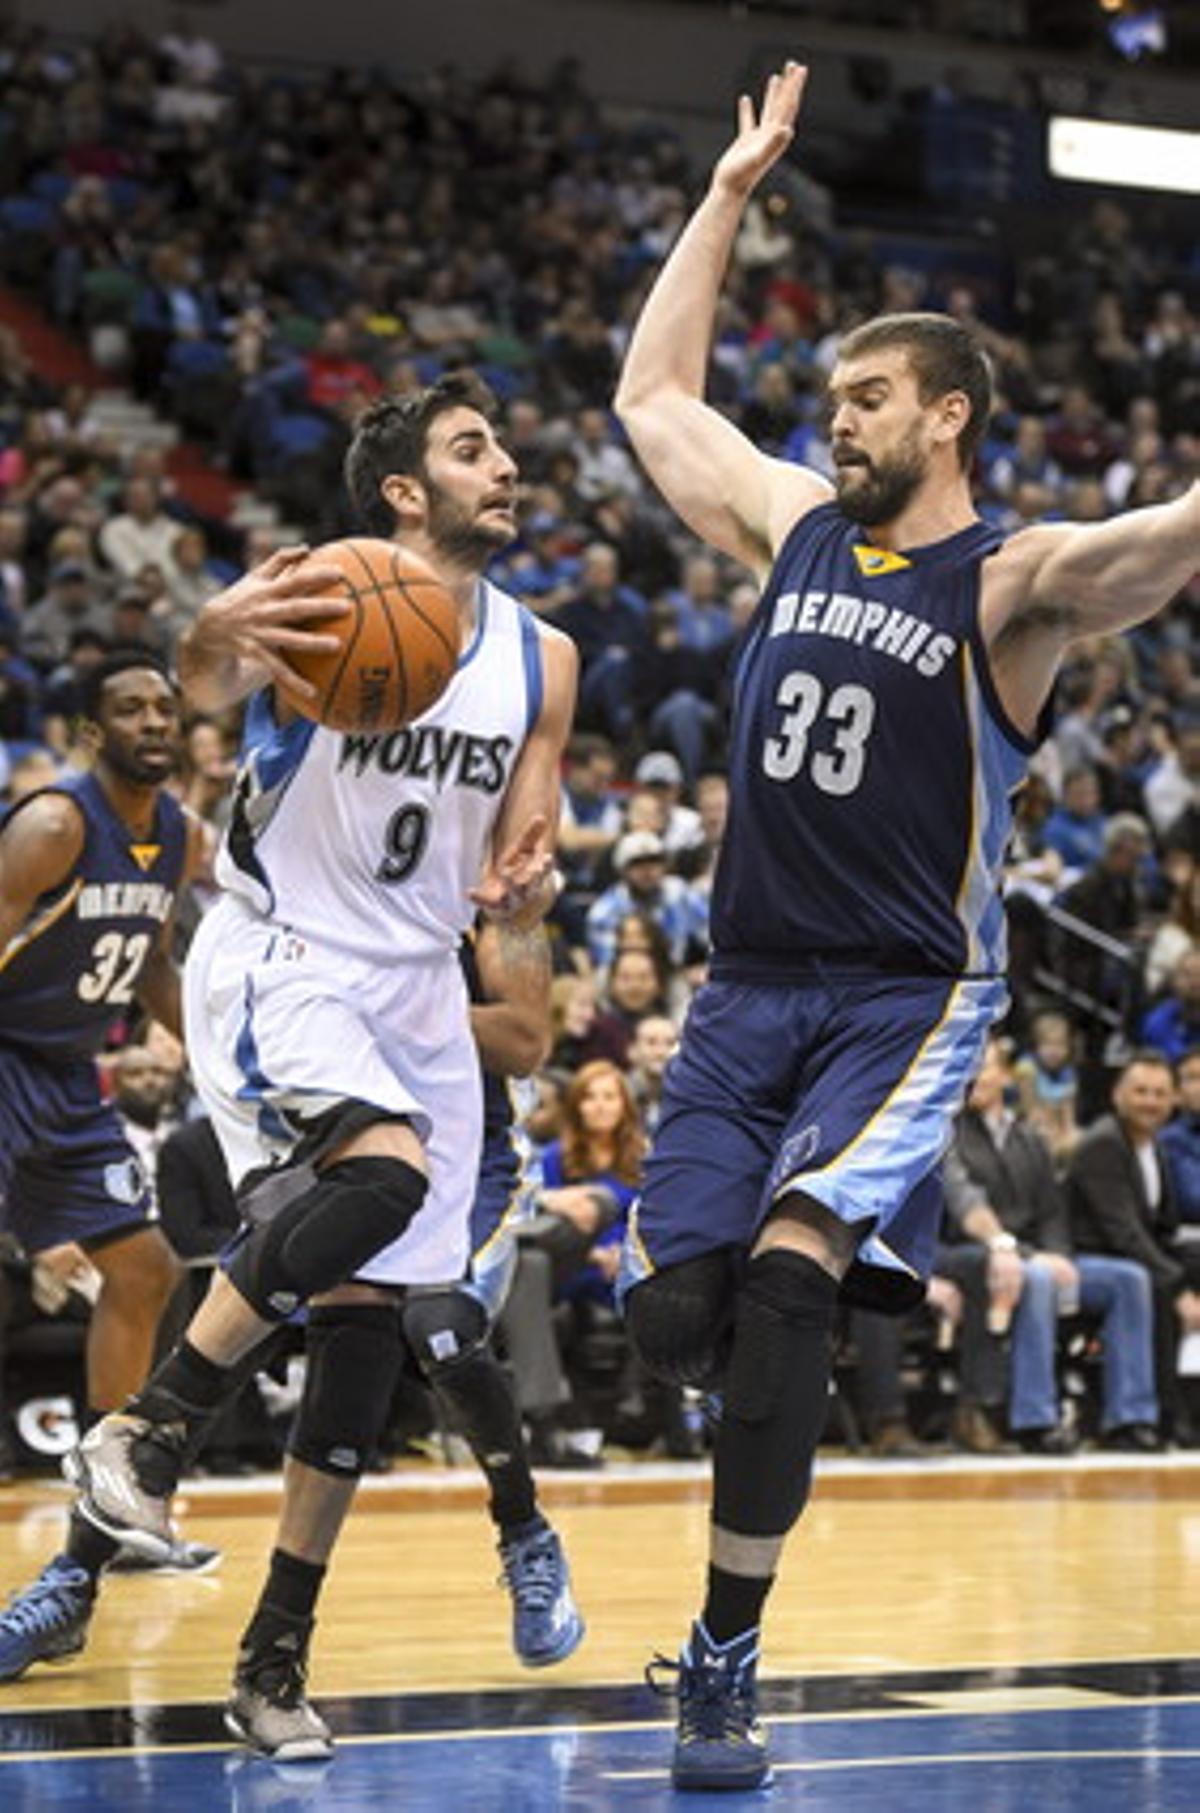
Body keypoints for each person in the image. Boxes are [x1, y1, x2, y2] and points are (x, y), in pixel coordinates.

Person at [612, 61, 1200, 1791]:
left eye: (867, 398)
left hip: (901, 995)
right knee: (676, 1319)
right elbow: (654, 397)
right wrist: (728, 191)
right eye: (833, 397)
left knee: (787, 1288)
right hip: (741, 994)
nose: (836, 419)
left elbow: (1162, 545)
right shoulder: (794, 524)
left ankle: (723, 1656)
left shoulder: (1009, 588)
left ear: (949, 414)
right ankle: (882, 1297)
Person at [62, 376, 578, 1708]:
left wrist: (532, 869)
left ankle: (271, 1657)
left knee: (366, 1322)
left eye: (503, 445)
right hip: (284, 946)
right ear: (405, 490)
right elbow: (206, 679)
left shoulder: (545, 657)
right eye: (474, 450)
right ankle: (149, 1434)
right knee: (383, 1177)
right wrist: (204, 639)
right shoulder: (326, 595)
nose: (506, 466)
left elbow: (528, 838)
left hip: (413, 981)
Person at [225, 920, 584, 1761]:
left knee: (441, 1326)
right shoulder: (313, 890)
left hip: (470, 1167)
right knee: (226, 1321)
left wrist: (391, 1007)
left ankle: (526, 1532)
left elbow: (525, 1040)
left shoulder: (482, 900)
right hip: (341, 1156)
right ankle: (79, 1575)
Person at [0, 650, 212, 1683]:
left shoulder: (173, 835)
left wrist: (220, 1054)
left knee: (144, 1267)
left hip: (67, 1072)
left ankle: (108, 1496)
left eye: (166, 708)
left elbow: (155, 961)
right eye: (130, 709)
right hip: (4, 1060)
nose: (153, 722)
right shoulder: (53, 824)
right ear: (94, 731)